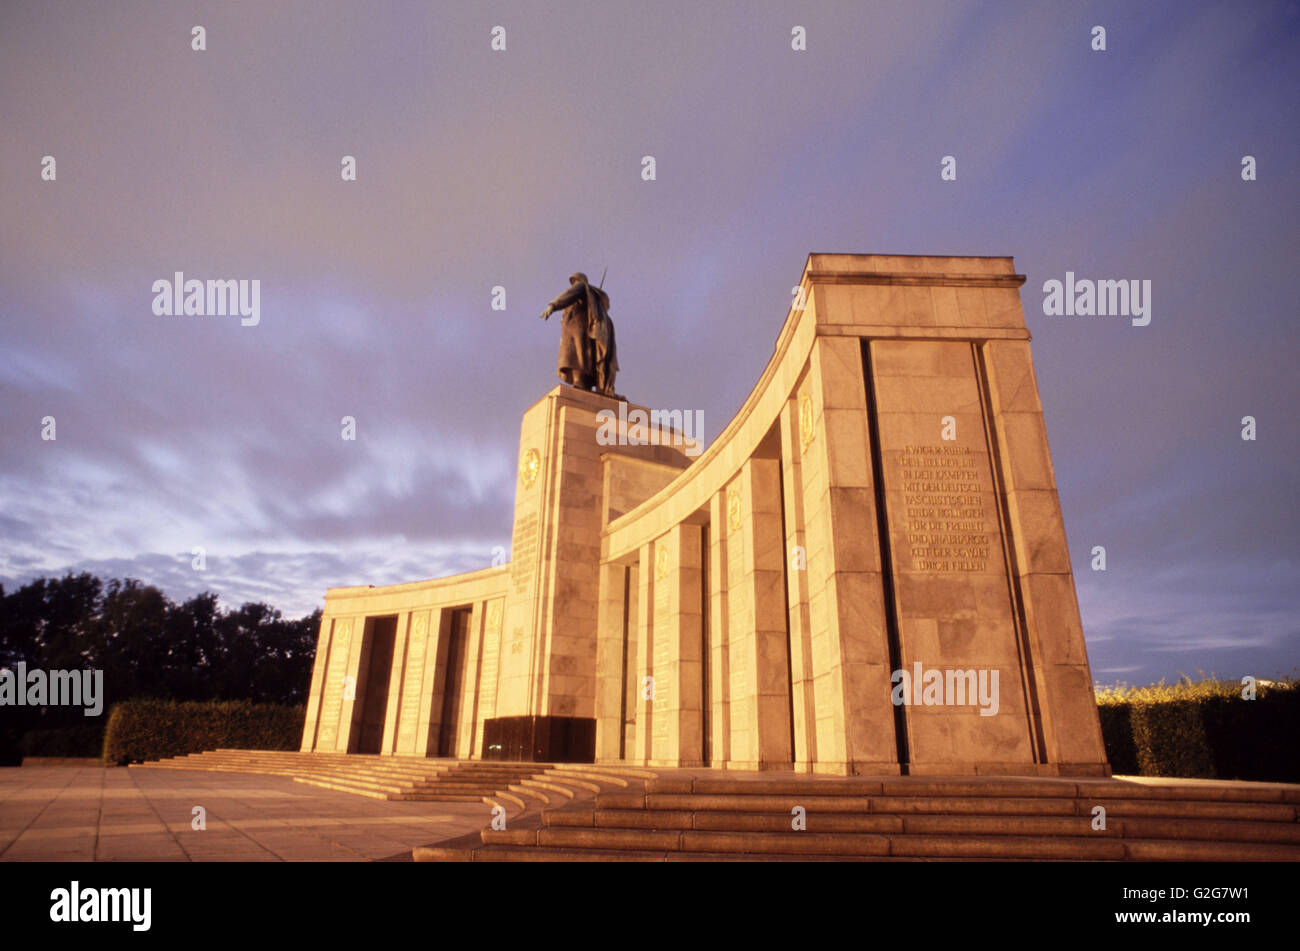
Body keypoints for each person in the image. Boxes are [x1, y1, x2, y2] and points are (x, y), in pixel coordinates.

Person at [539, 272, 620, 397]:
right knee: (583, 357)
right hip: (581, 330)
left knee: (577, 355)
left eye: (573, 282)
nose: (572, 285)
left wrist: (553, 305)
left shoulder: (581, 287)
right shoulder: (593, 302)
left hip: (577, 329)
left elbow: (568, 295)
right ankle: (583, 383)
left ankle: (580, 382)